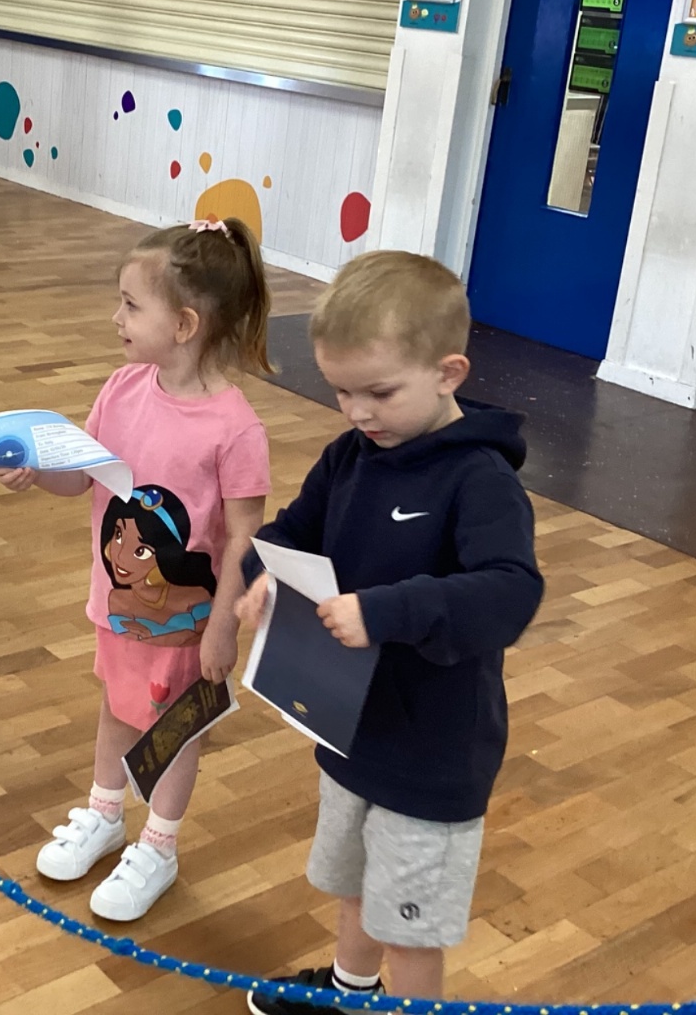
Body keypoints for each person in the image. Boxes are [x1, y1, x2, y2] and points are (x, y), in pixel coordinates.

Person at [233, 251, 544, 1010]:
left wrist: (382, 611)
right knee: (357, 888)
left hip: (433, 751)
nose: (358, 413)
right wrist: (262, 574)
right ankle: (351, 993)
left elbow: (510, 593)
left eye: (379, 392)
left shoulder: (481, 481)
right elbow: (290, 531)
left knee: (409, 930)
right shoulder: (350, 456)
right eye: (341, 391)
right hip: (351, 729)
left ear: (448, 373)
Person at [0, 218, 271, 921]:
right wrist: (39, 470)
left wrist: (223, 628)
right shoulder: (122, 388)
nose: (115, 318)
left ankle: (159, 846)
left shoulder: (235, 428)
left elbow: (245, 537)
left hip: (186, 621)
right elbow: (85, 478)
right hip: (117, 603)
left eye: (130, 305)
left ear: (183, 325)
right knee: (118, 705)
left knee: (175, 728)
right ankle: (105, 812)